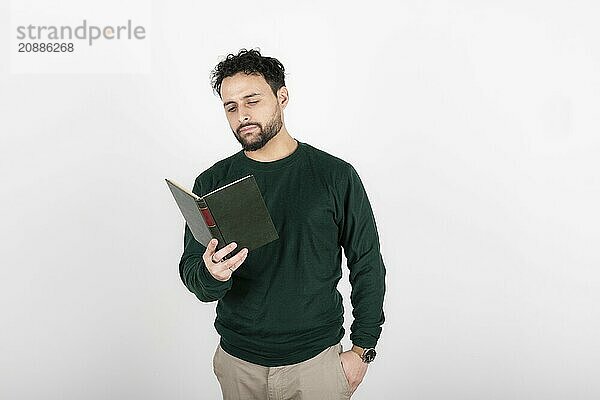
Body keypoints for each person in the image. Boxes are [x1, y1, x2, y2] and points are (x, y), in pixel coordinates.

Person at [178, 48, 386, 400]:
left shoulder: (335, 175)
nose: (242, 115)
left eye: (252, 101)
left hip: (316, 362)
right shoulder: (212, 182)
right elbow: (193, 274)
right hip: (238, 362)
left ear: (282, 97)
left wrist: (362, 349)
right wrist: (212, 274)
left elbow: (367, 263)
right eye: (231, 106)